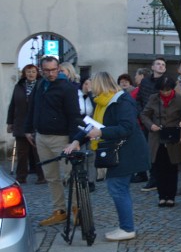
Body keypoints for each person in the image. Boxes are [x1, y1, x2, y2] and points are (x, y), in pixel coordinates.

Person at [63, 72, 149, 241]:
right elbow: (91, 125)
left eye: (91, 84)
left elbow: (127, 128)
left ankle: (127, 228)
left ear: (100, 85)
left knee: (117, 188)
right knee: (118, 188)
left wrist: (101, 132)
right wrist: (76, 141)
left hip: (127, 152)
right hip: (117, 151)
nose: (89, 87)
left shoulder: (122, 101)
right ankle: (126, 226)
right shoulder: (102, 101)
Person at [25, 56, 83, 226]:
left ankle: (76, 209)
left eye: (53, 69)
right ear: (41, 70)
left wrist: (74, 141)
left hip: (62, 138)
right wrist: (29, 129)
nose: (50, 73)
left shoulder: (67, 88)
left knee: (70, 175)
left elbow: (74, 116)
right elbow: (33, 108)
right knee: (51, 176)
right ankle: (59, 210)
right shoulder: (40, 85)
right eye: (47, 70)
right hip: (42, 137)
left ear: (58, 68)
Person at [140, 75, 181, 207]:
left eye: (167, 90)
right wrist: (151, 125)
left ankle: (171, 196)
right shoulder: (153, 98)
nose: (165, 93)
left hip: (173, 138)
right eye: (162, 90)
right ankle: (162, 196)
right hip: (157, 138)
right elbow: (144, 114)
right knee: (159, 168)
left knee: (172, 168)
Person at [6, 65, 46, 185]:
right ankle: (21, 177)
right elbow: (12, 105)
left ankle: (42, 176)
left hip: (36, 124)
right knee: (22, 153)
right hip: (20, 123)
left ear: (37, 73)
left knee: (38, 152)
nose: (31, 74)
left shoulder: (41, 85)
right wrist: (10, 122)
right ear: (24, 73)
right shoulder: (19, 86)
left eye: (33, 71)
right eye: (28, 72)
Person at [137, 57, 167, 191]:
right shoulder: (145, 82)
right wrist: (141, 113)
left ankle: (159, 179)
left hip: (161, 121)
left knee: (160, 152)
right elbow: (139, 99)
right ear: (153, 67)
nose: (161, 66)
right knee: (149, 152)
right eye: (158, 64)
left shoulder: (167, 81)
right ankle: (152, 178)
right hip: (145, 121)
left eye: (163, 65)